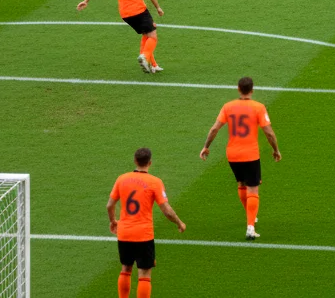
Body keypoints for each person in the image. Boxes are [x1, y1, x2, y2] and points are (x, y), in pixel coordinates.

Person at [201, 77, 282, 241]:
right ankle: (250, 228)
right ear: (252, 90)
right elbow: (269, 132)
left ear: (238, 89)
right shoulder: (258, 107)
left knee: (241, 185)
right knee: (253, 189)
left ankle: (250, 217)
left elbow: (215, 128)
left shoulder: (228, 107)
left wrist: (206, 146)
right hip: (250, 154)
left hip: (233, 154)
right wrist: (275, 150)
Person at [108, 147, 186, 298]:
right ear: (150, 163)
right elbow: (166, 210)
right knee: (144, 273)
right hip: (143, 235)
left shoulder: (122, 179)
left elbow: (109, 205)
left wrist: (113, 221)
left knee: (125, 269)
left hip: (124, 233)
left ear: (135, 161)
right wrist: (179, 222)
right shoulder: (154, 182)